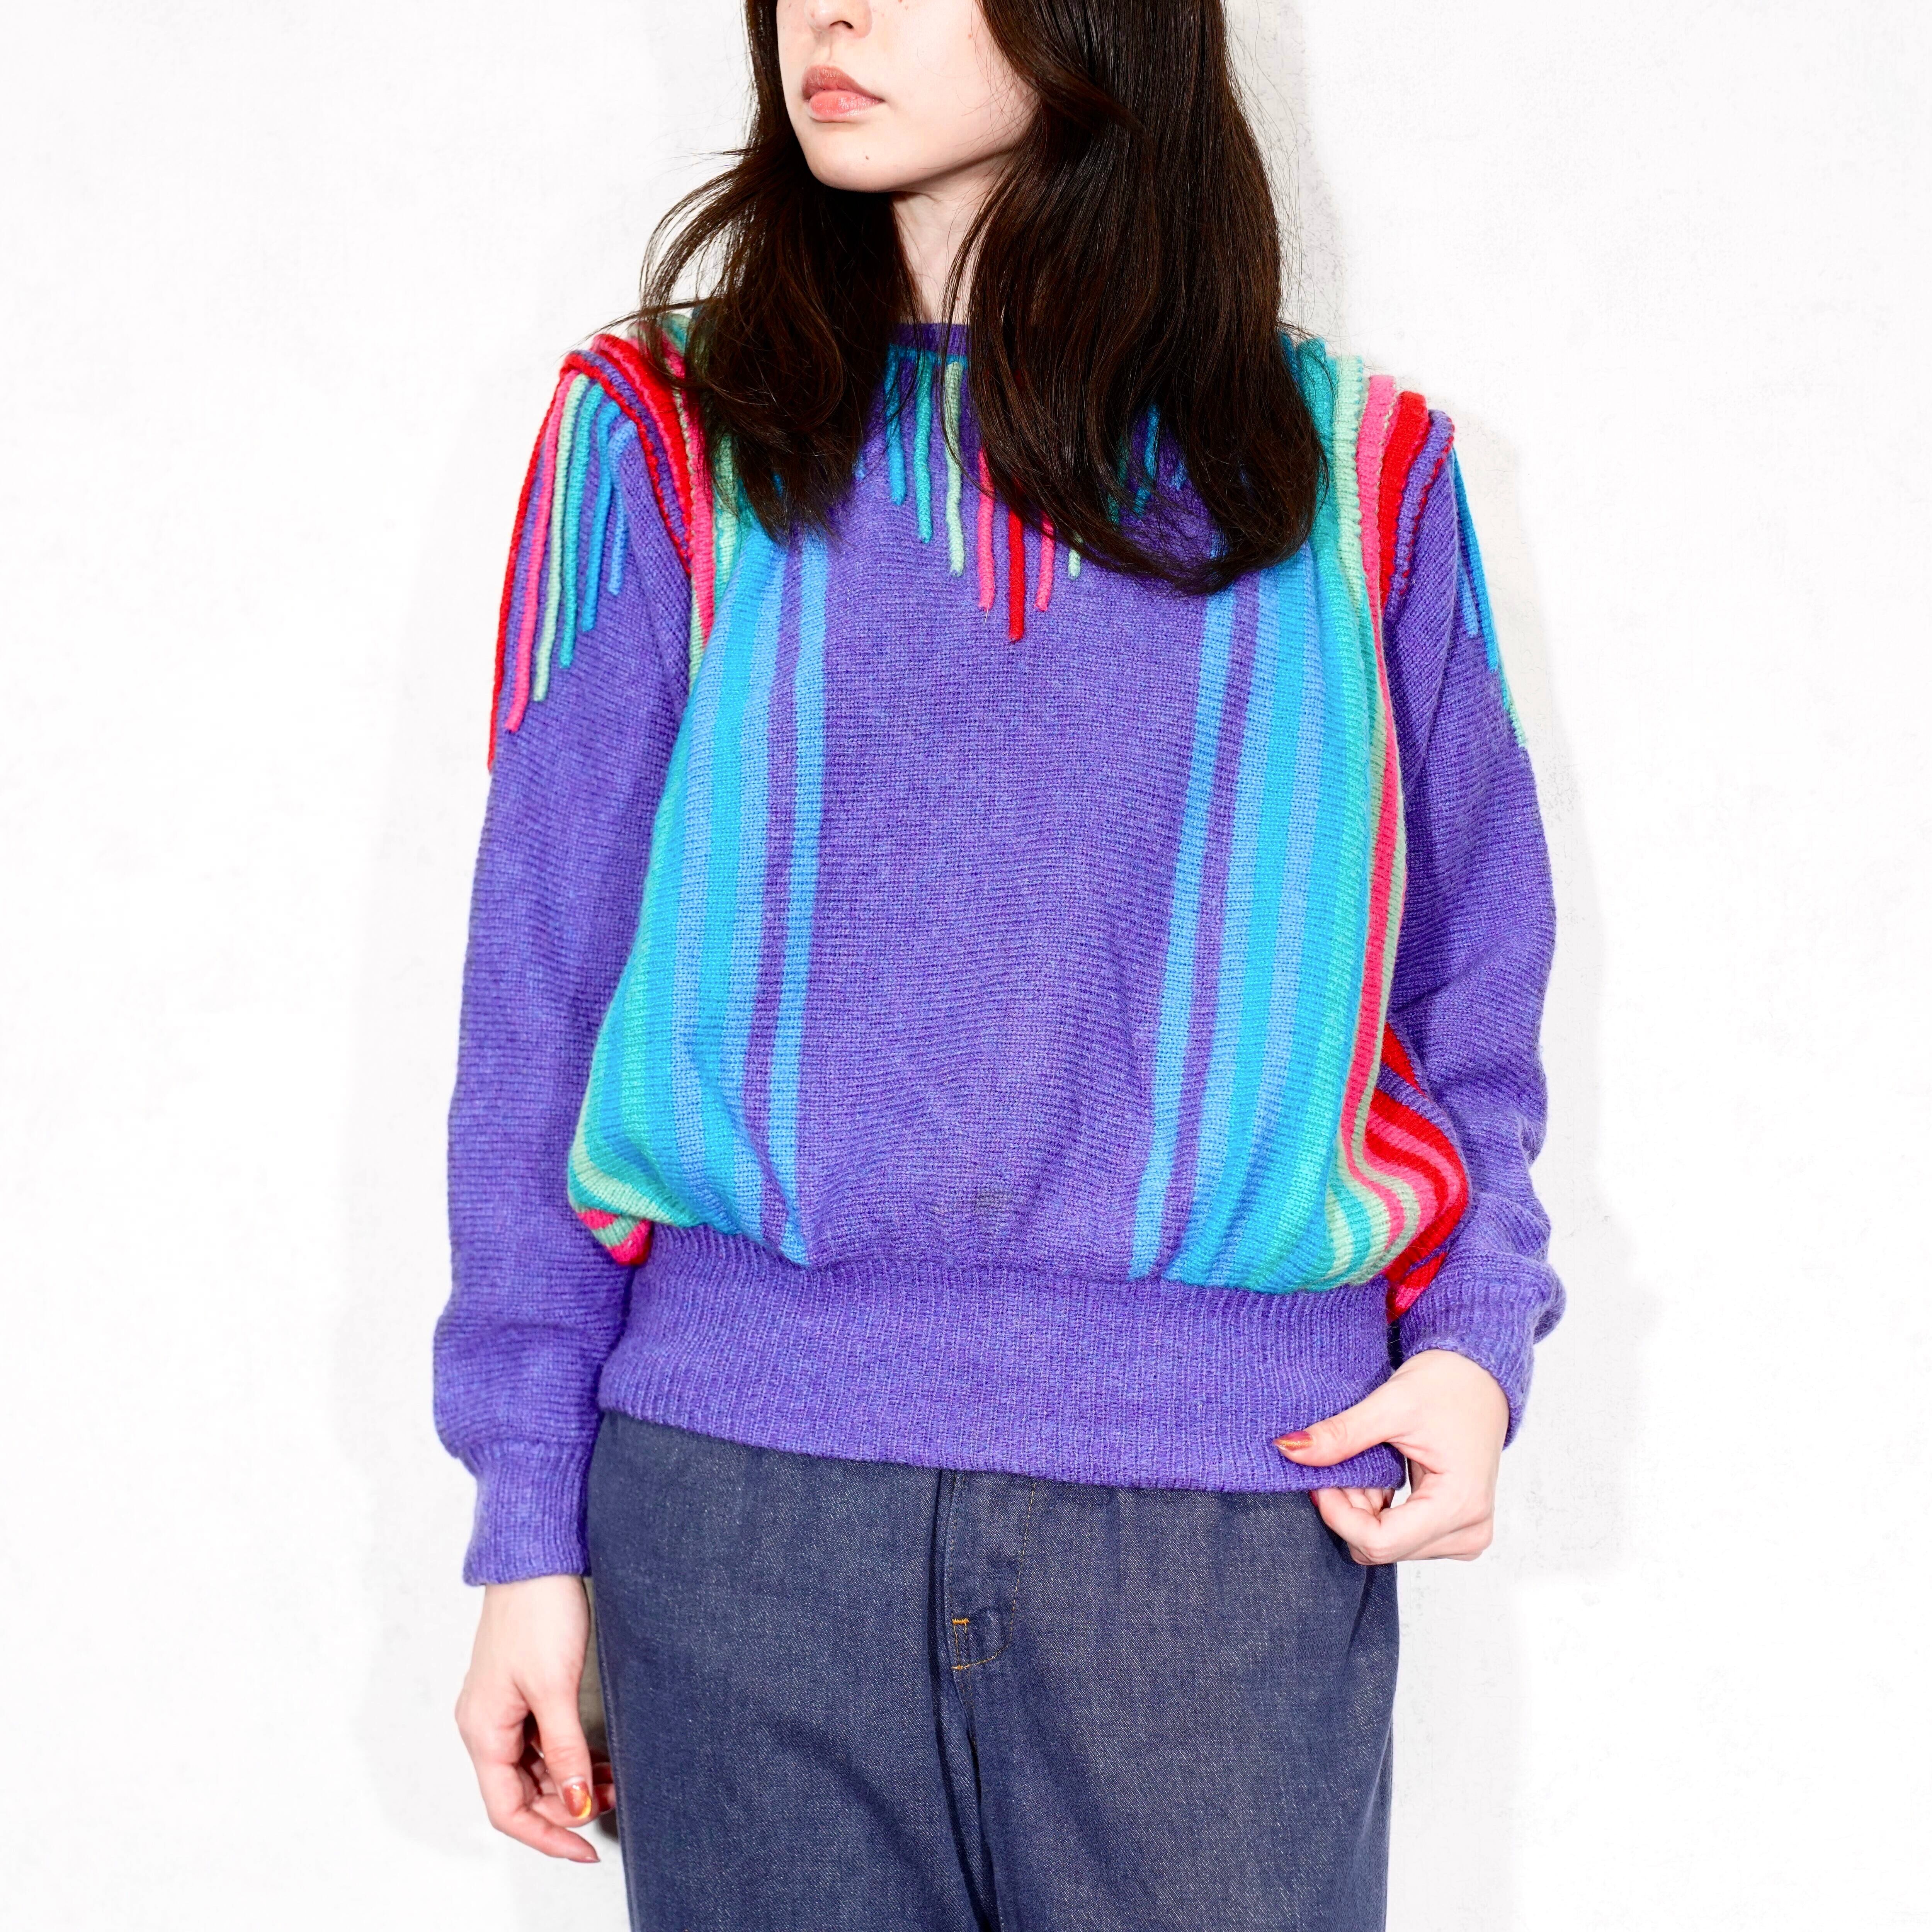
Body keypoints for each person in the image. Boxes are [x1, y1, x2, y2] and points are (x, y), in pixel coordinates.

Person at [433, 0, 1563, 1925]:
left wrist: (1471, 1334)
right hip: (742, 1511)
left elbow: (1467, 972)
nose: (830, 13)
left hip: (1221, 1523)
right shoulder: (658, 435)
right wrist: (524, 1514)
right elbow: (539, 995)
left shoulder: (1357, 475)